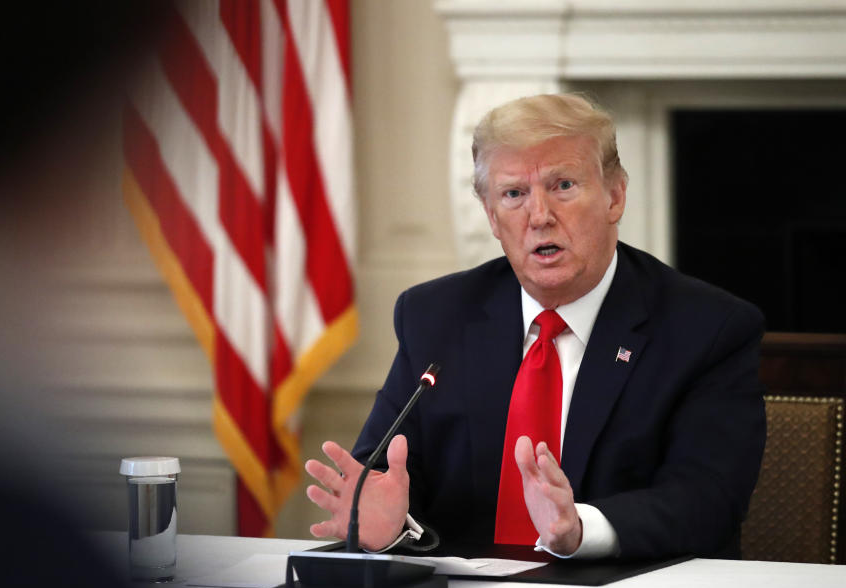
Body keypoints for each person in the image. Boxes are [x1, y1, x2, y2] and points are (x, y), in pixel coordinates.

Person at [304, 93, 766, 560]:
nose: (539, 216)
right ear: (491, 216)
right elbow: (386, 475)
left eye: (563, 185)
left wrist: (580, 529)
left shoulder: (707, 329)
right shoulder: (436, 316)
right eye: (514, 194)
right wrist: (388, 525)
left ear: (615, 195)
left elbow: (708, 500)